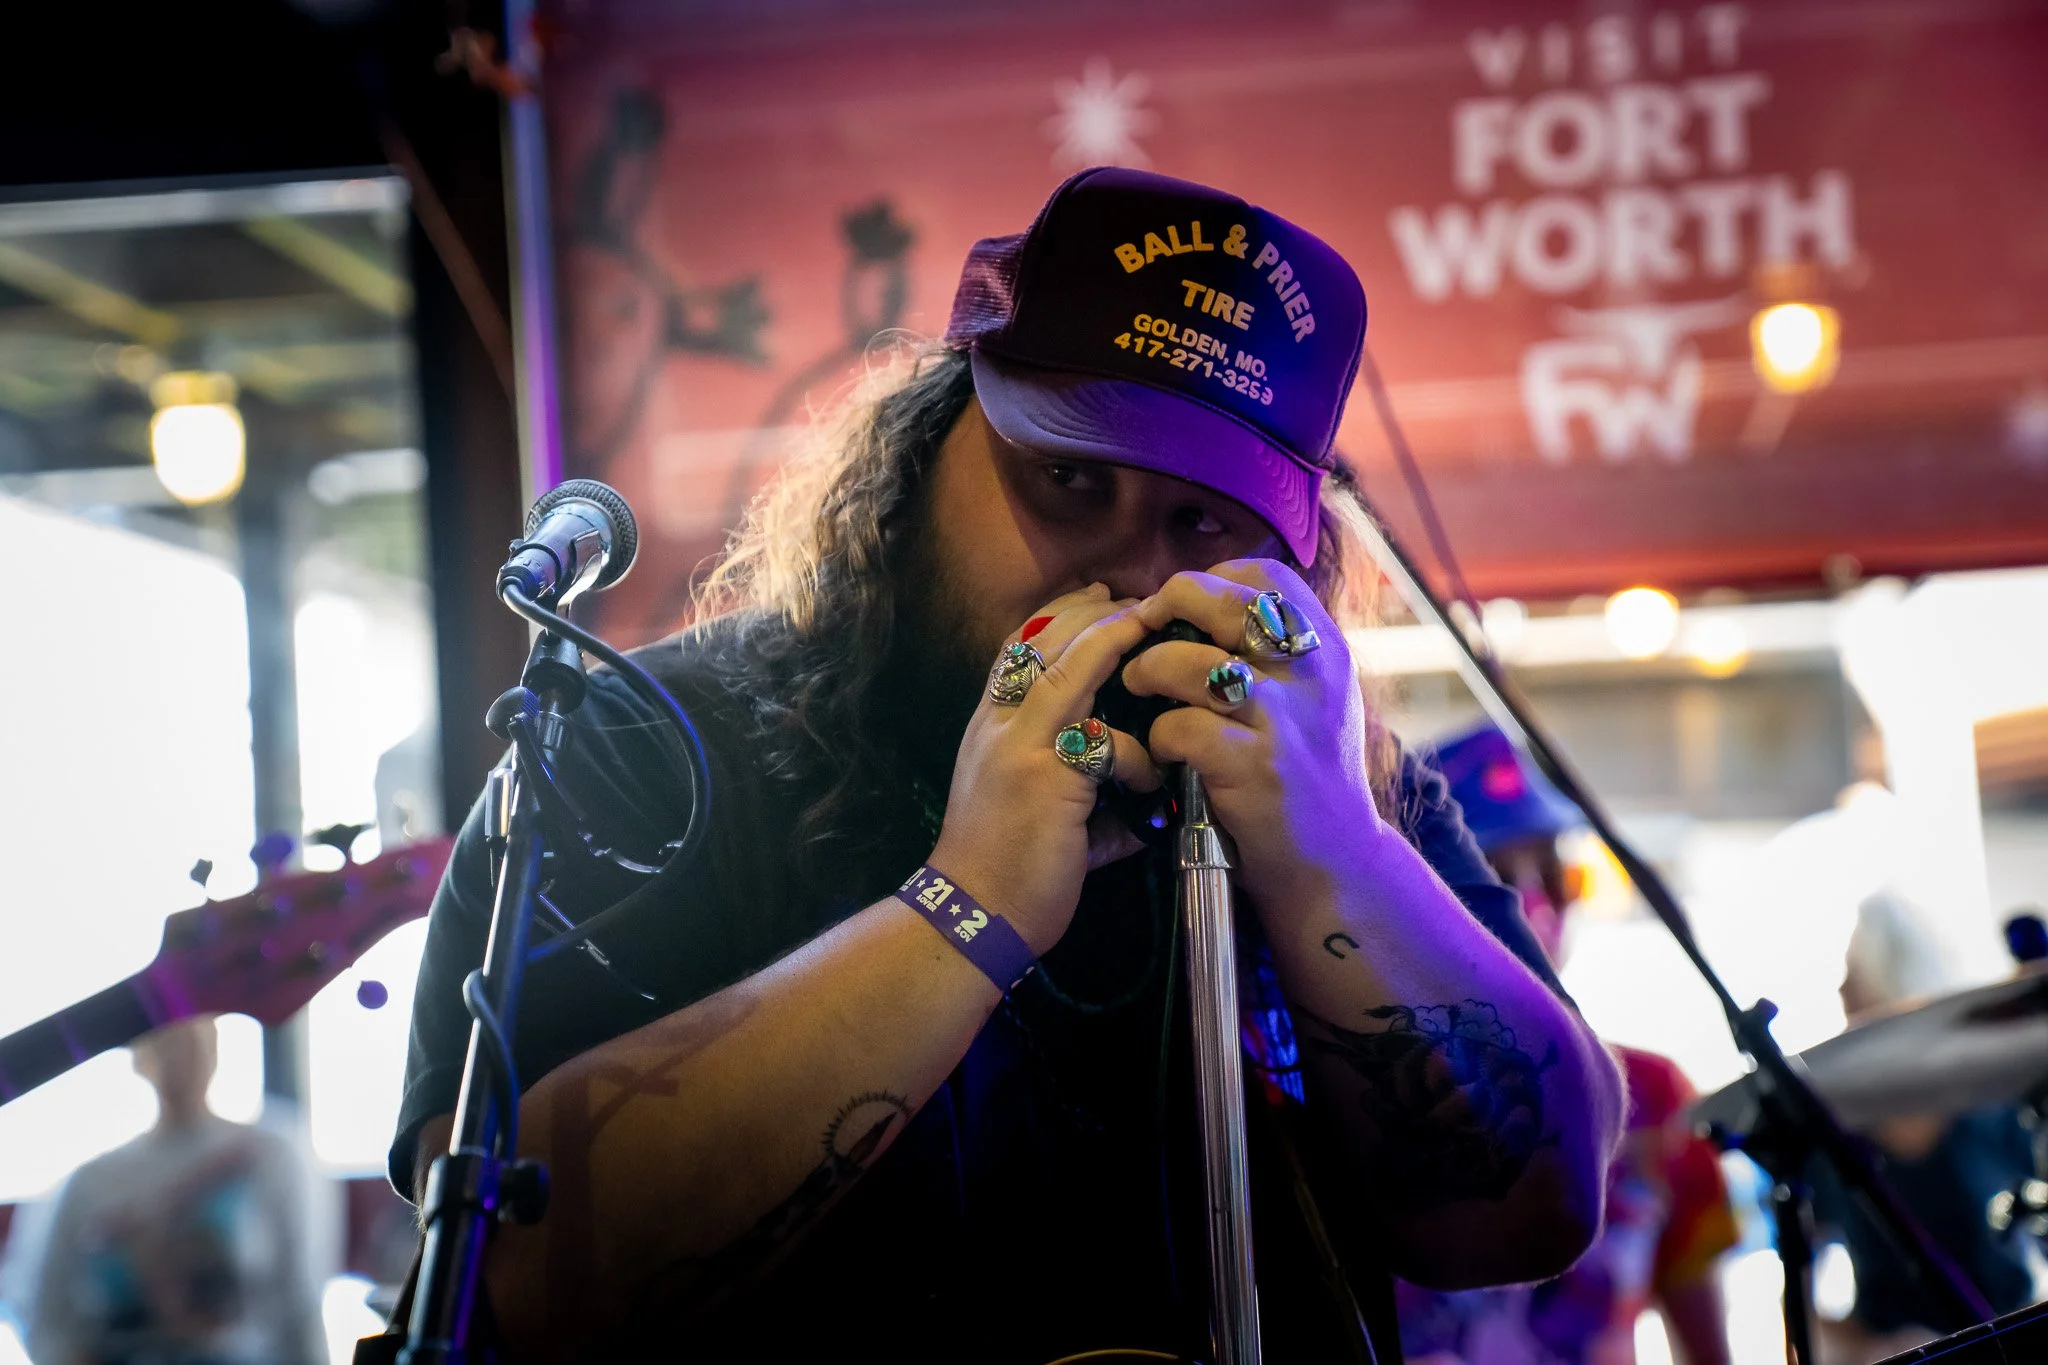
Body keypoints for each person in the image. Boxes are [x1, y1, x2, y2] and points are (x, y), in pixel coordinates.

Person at [390, 167, 1624, 1363]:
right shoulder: (645, 734)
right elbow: (516, 1284)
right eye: (1069, 480)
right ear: (930, 442)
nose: (1131, 571)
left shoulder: (1330, 781)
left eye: (1200, 521)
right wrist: (967, 903)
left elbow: (1532, 1212)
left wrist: (1333, 858)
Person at [1395, 723, 1739, 1365]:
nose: (1534, 905)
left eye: (1555, 875)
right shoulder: (1354, 1102)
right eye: (1495, 876)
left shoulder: (1656, 1099)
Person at [1810, 890, 2041, 1364]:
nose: (1841, 993)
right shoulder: (1828, 1139)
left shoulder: (1996, 1112)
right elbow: (1799, 1299)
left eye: (1855, 979)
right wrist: (1867, 1348)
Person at [12, 1017, 325, 1365]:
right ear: (138, 1057)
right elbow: (45, 1316)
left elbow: (301, 1303)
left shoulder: (271, 1155)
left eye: (192, 1041)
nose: (179, 1058)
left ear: (216, 1046)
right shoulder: (91, 1181)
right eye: (165, 1044)